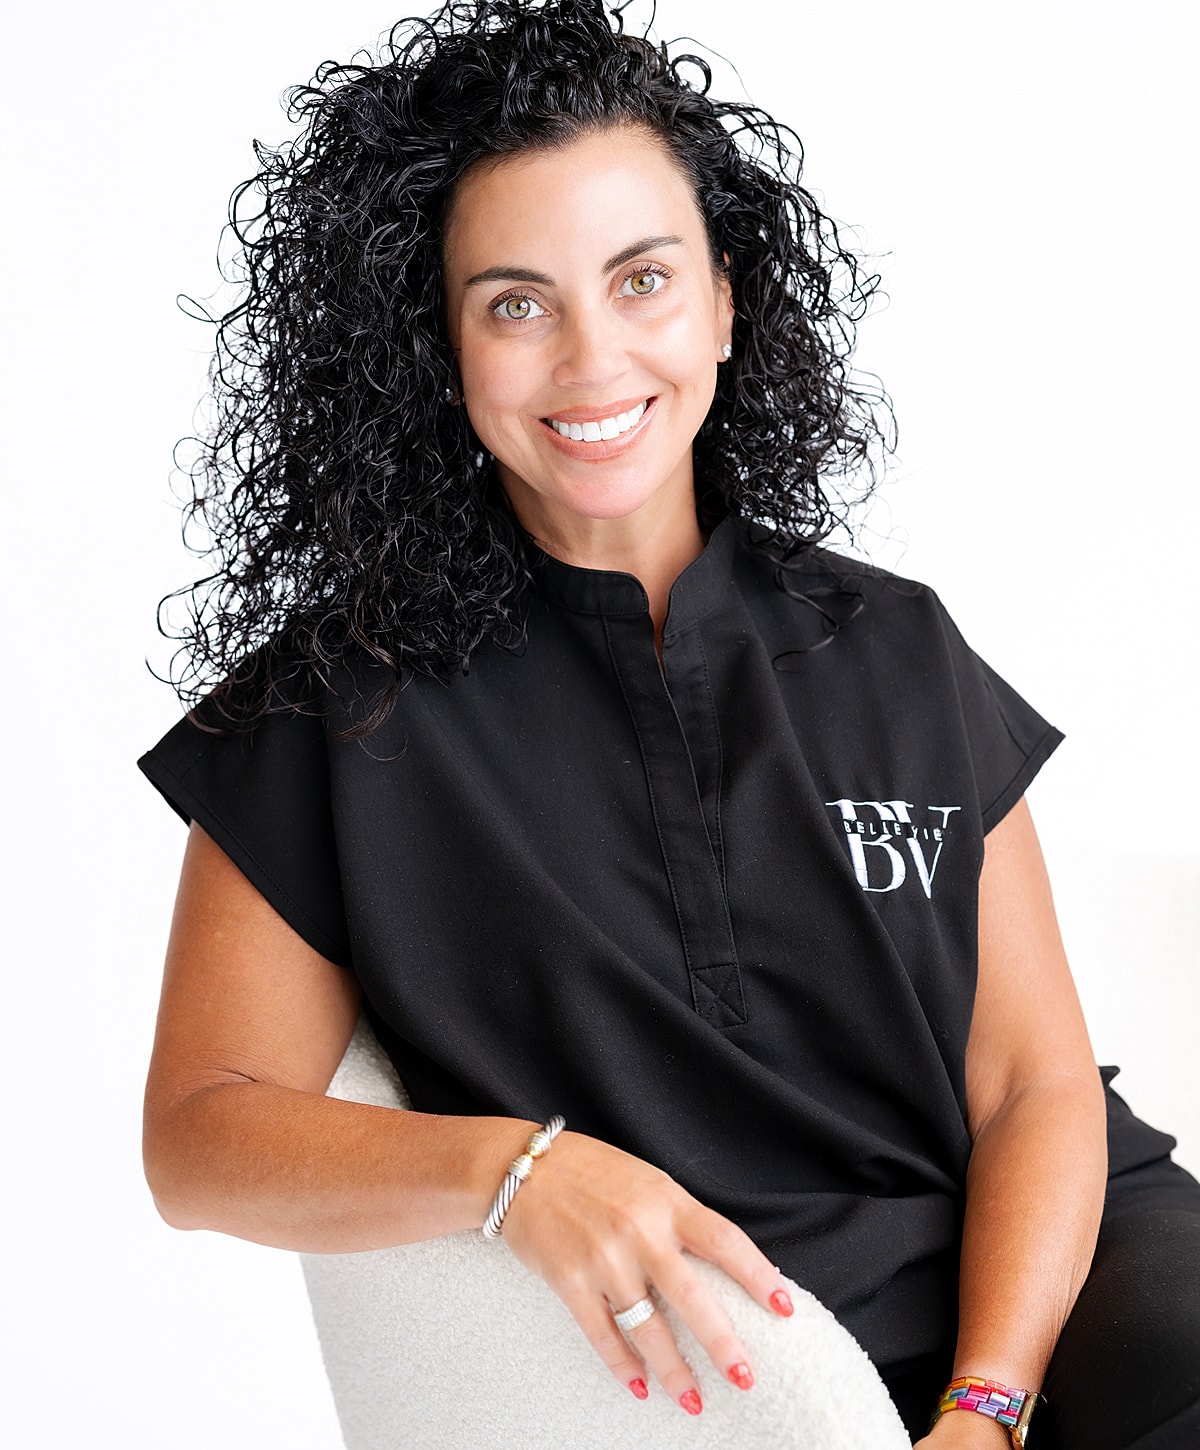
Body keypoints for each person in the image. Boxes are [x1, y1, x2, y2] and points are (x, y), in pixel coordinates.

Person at [139, 1, 1200, 1444]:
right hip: (741, 1366)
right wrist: (520, 1172)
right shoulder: (340, 703)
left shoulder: (893, 643)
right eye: (516, 302)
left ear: (722, 302)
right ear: (437, 352)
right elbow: (201, 1131)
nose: (592, 360)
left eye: (642, 280)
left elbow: (1034, 1084)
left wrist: (989, 1402)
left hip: (1051, 1298)